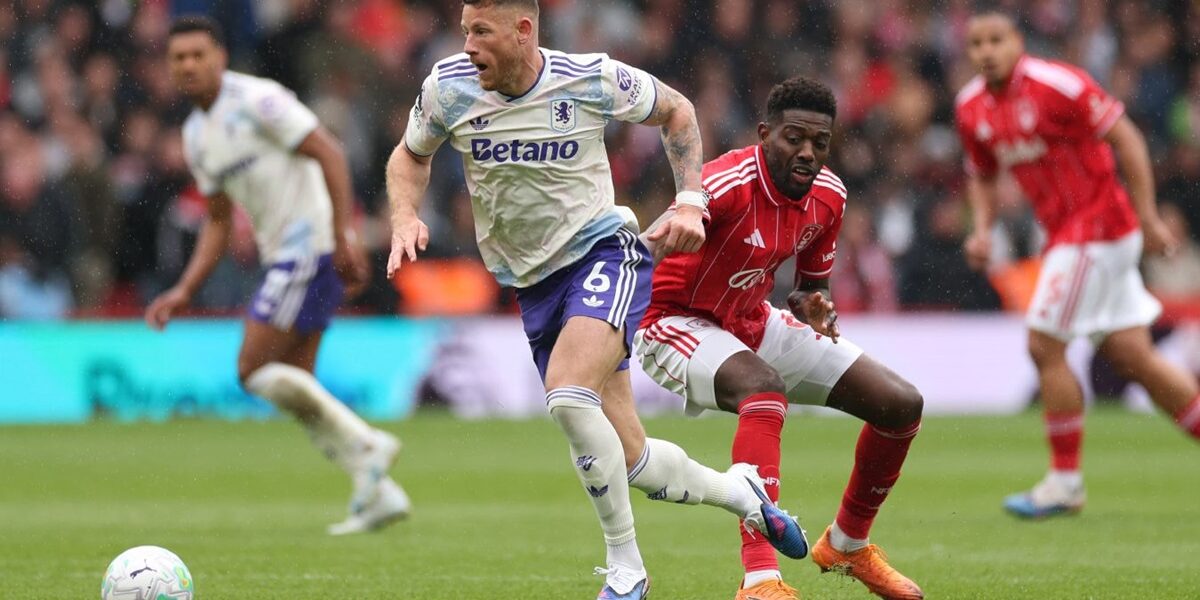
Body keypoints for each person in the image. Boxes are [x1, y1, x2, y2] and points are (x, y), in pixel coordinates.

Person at [385, 1, 805, 596]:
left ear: (523, 31)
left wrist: (691, 200)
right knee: (634, 462)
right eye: (464, 32)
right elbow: (410, 154)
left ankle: (627, 570)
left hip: (603, 253)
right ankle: (742, 492)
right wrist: (404, 215)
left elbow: (677, 111)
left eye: (480, 32)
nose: (468, 45)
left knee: (566, 392)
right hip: (533, 285)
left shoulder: (588, 78)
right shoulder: (448, 89)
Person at [635, 76, 924, 600]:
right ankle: (760, 578)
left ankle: (847, 544)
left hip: (750, 319)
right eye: (795, 138)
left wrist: (814, 305)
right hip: (672, 320)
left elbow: (810, 286)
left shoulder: (829, 196)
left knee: (900, 404)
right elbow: (639, 252)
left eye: (820, 142)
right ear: (765, 134)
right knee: (763, 389)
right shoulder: (723, 184)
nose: (808, 152)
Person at [146, 15, 410, 536]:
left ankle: (368, 445)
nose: (189, 65)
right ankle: (377, 490)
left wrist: (343, 235)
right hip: (289, 256)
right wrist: (185, 289)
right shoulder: (197, 135)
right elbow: (218, 221)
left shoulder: (258, 100)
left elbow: (329, 152)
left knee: (251, 369)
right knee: (297, 386)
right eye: (179, 58)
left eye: (198, 54)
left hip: (308, 247)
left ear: (221, 57)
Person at [956, 12, 1200, 519]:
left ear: (1018, 42)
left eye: (996, 40)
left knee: (1043, 343)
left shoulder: (1058, 85)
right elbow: (982, 173)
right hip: (1069, 236)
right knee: (1134, 357)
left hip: (1099, 227)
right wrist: (982, 229)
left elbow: (1127, 138)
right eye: (976, 43)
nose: (987, 51)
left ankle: (1065, 483)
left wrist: (1149, 216)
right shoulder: (971, 106)